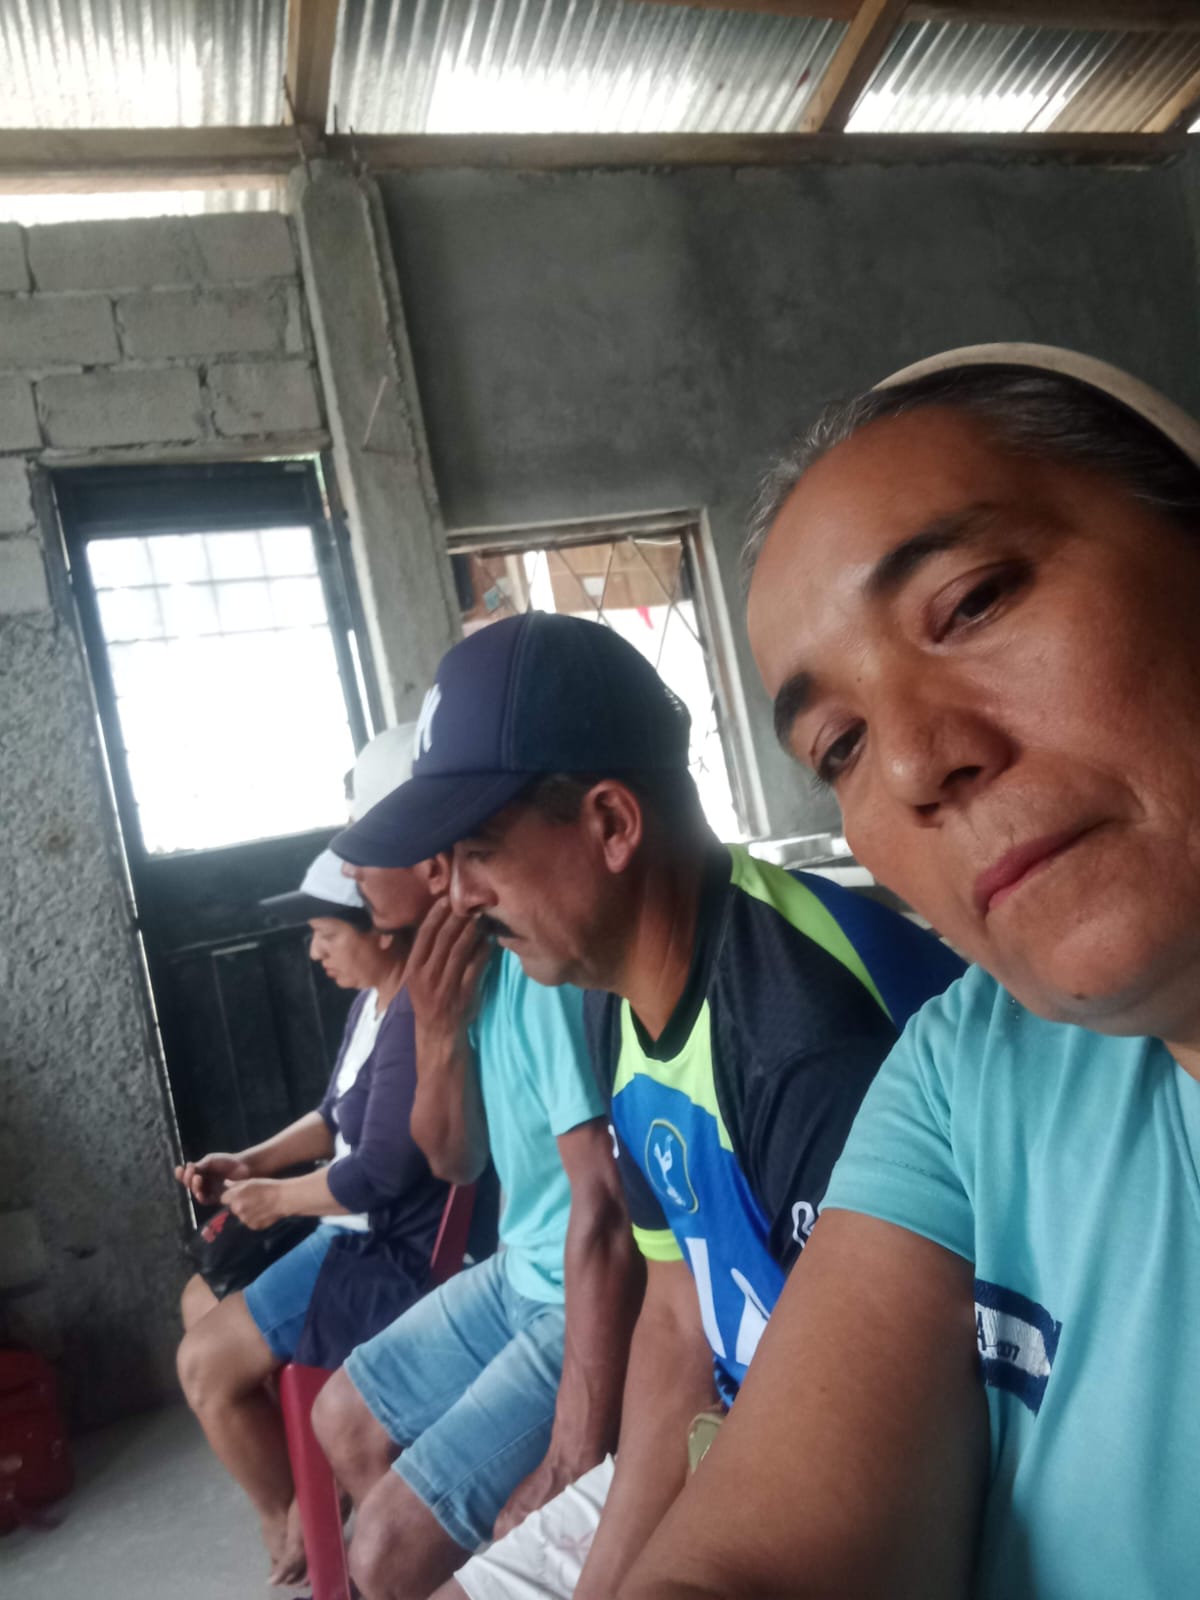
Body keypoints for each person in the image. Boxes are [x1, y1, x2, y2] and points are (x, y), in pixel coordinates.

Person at [618, 344, 1200, 1600]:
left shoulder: (804, 1015)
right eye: (840, 745)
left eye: (974, 602)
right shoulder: (968, 1066)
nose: (918, 765)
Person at [339, 609, 963, 1600]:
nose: (456, 895)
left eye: (480, 850)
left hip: (880, 1459)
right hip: (748, 1415)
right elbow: (677, 1317)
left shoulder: (804, 1038)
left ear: (612, 825)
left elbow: (894, 1440)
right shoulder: (616, 999)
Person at [310, 759, 640, 1600]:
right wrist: (436, 1030)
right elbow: (454, 1159)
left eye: (372, 852)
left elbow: (603, 1206)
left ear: (434, 867)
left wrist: (573, 1450)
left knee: (382, 1550)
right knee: (340, 1416)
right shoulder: (457, 979)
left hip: (574, 1293)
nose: (352, 873)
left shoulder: (542, 970)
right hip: (517, 1270)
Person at [175, 845, 447, 1587]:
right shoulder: (373, 1005)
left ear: (382, 929)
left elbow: (379, 1173)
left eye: (327, 934)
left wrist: (279, 1199)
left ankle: (294, 1526)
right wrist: (251, 1162)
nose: (314, 952)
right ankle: (311, 1500)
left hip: (383, 1245)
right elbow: (333, 1116)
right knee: (199, 1300)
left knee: (203, 1366)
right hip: (343, 1222)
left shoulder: (413, 1017)